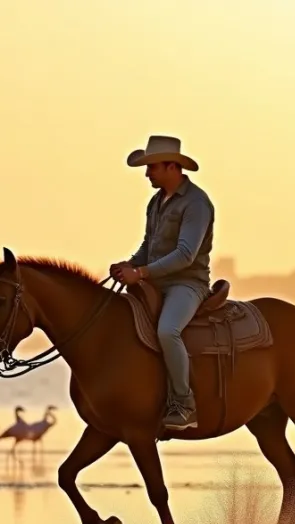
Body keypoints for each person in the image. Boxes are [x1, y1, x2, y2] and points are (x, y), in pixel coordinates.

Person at [110, 135, 215, 430]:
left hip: (187, 284)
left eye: (152, 167)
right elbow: (149, 245)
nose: (147, 174)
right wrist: (129, 264)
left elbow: (185, 254)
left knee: (168, 331)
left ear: (172, 167)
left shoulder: (196, 203)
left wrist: (141, 273)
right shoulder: (156, 202)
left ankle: (184, 404)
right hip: (155, 281)